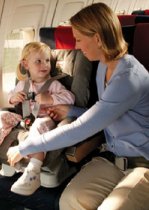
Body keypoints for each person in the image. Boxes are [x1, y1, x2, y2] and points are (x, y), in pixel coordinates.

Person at [2, 2, 149, 210]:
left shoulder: (128, 77)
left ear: (97, 38)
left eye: (79, 39)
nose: (77, 46)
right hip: (113, 158)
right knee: (70, 202)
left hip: (143, 163)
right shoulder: (105, 66)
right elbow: (105, 111)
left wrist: (25, 147)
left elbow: (81, 129)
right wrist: (71, 111)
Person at [0, 41, 75, 196]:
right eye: (38, 61)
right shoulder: (23, 84)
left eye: (47, 60)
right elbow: (10, 97)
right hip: (24, 118)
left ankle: (33, 173)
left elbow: (70, 98)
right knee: (1, 116)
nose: (44, 65)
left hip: (46, 118)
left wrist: (51, 99)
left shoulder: (53, 84)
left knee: (39, 125)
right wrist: (14, 98)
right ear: (26, 64)